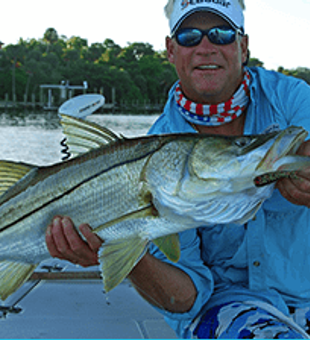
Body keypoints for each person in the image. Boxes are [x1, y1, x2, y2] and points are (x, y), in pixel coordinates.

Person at [46, 0, 310, 338]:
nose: (205, 48)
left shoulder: (290, 99)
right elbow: (185, 298)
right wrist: (124, 250)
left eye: (222, 34)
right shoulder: (158, 159)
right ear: (171, 50)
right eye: (189, 36)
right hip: (225, 306)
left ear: (243, 46)